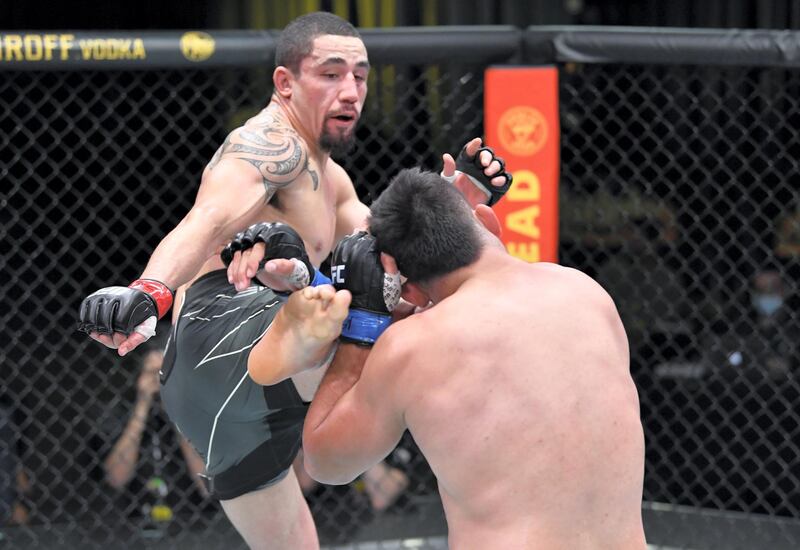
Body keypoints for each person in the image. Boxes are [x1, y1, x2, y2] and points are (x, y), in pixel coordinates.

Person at [76, 11, 509, 549]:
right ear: (286, 83)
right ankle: (298, 308)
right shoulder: (266, 146)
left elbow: (399, 256)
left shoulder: (333, 178)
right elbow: (208, 218)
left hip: (221, 409)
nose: (350, 90)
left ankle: (300, 305)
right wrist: (150, 290)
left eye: (360, 74)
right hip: (224, 338)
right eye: (331, 74)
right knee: (368, 293)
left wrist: (454, 205)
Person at [295, 168, 647, 549]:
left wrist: (362, 327)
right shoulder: (587, 293)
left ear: (407, 288)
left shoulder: (413, 346)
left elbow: (326, 463)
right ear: (488, 219)